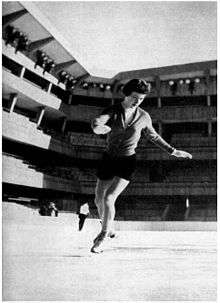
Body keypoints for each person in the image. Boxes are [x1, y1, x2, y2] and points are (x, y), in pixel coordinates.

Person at [90, 79, 192, 253]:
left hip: (127, 161)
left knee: (108, 198)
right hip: (108, 159)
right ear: (127, 94)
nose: (138, 102)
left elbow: (154, 137)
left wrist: (173, 151)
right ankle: (110, 227)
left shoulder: (144, 116)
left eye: (142, 99)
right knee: (98, 199)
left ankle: (103, 235)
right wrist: (99, 128)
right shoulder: (113, 110)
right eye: (135, 98)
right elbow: (97, 122)